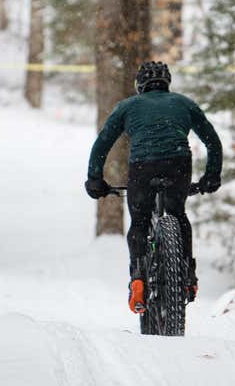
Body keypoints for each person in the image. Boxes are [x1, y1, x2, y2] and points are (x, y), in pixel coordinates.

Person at [85, 61, 222, 314]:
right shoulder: (184, 103)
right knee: (178, 214)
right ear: (167, 84)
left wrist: (95, 180)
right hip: (178, 164)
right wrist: (211, 176)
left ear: (140, 86)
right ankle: (188, 276)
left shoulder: (127, 106)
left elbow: (102, 144)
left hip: (142, 167)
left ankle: (137, 278)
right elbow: (212, 140)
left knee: (139, 221)